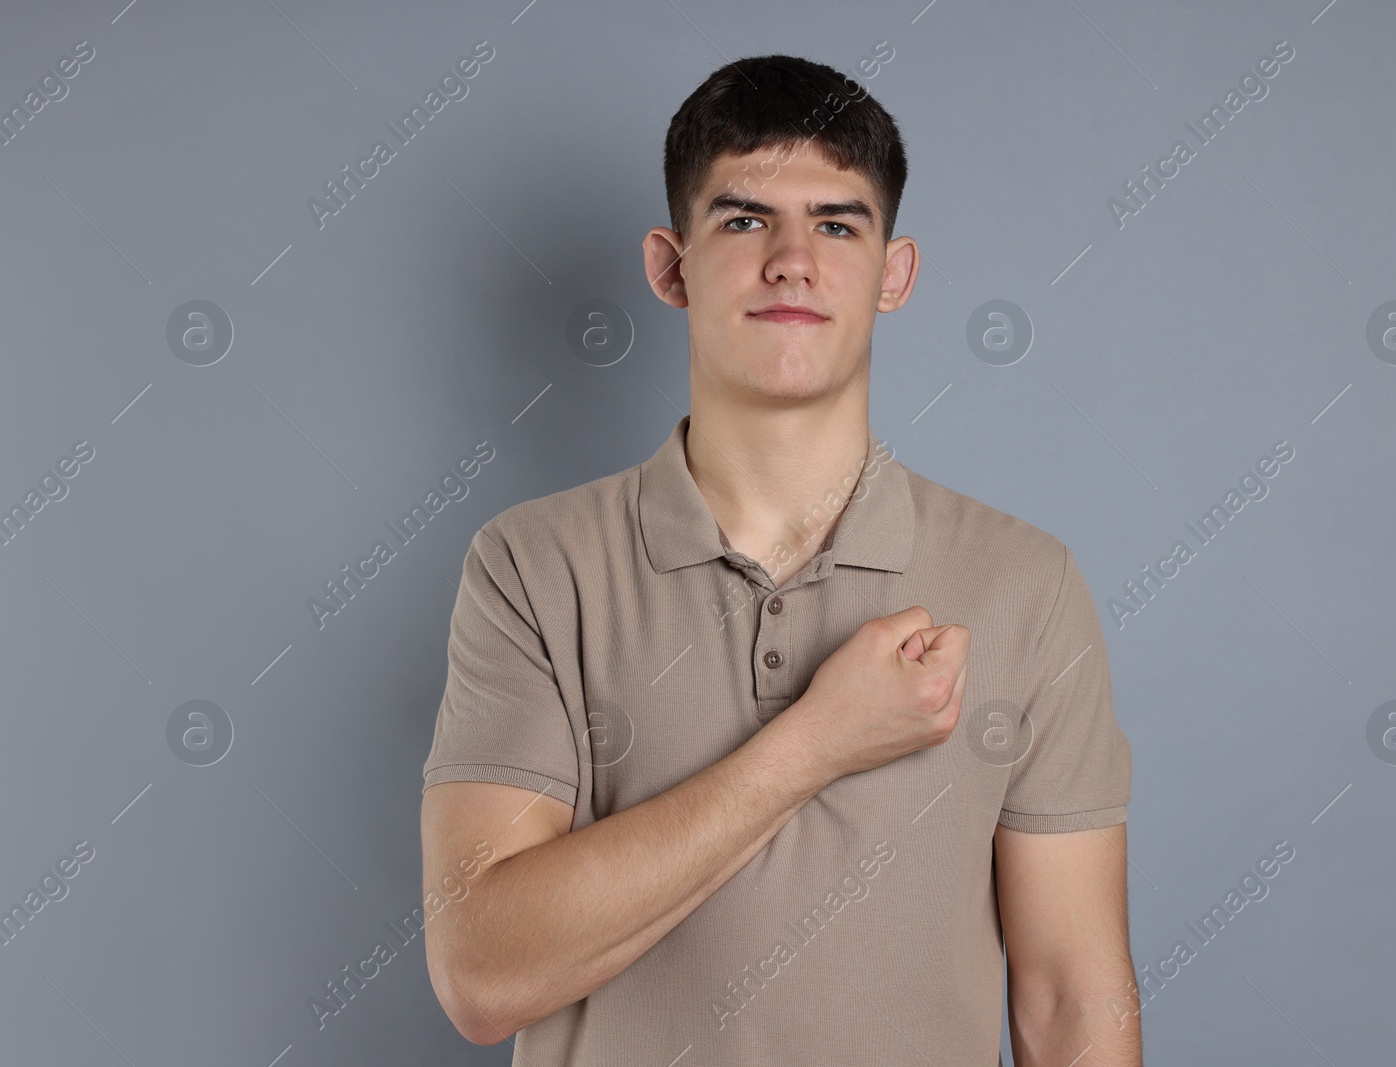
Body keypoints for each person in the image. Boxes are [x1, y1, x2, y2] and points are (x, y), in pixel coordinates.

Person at [419, 53, 1138, 1065]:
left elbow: (1071, 1000)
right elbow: (484, 973)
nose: (792, 260)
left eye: (837, 224)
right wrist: (815, 744)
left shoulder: (1025, 582)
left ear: (894, 274)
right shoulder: (533, 567)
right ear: (671, 266)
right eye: (745, 219)